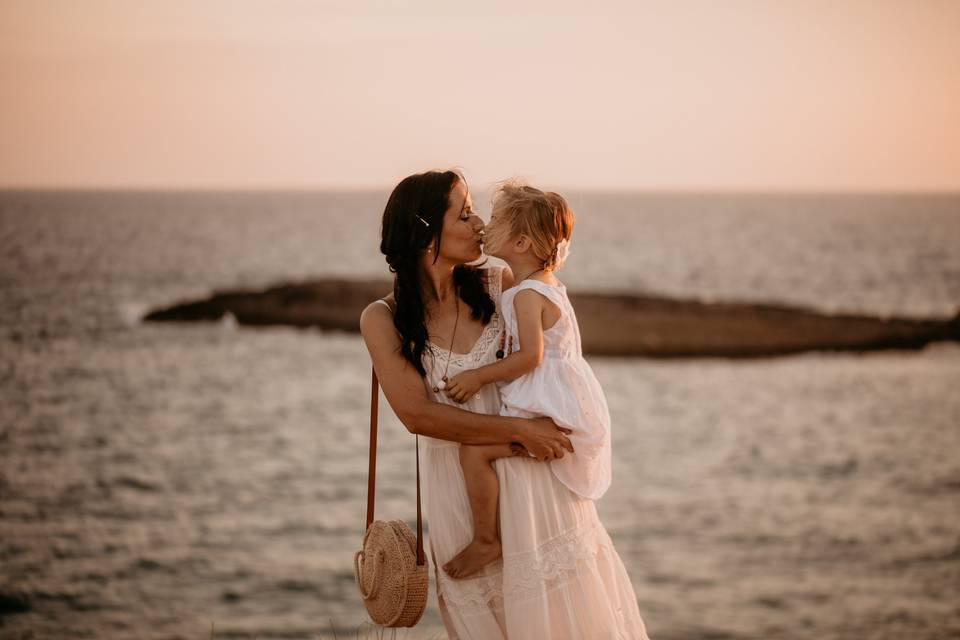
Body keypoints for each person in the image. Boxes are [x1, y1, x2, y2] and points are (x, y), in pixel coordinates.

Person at [360, 169, 650, 639]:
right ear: (425, 230)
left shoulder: (501, 283)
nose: (479, 225)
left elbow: (550, 349)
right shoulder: (383, 318)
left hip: (537, 488)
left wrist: (539, 429)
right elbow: (417, 415)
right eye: (465, 213)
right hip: (463, 497)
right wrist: (520, 431)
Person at [440, 179, 613, 581]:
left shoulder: (526, 295)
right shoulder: (543, 286)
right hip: (564, 400)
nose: (485, 224)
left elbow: (531, 356)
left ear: (519, 244)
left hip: (551, 407)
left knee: (472, 452)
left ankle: (486, 539)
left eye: (497, 220)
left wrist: (478, 376)